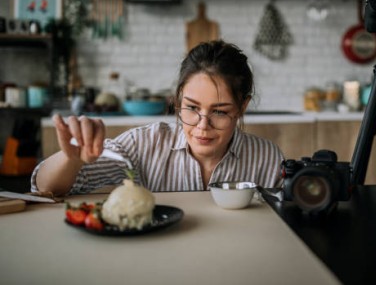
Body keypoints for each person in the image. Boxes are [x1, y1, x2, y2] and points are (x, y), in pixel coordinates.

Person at [31, 40, 284, 196]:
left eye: (219, 111)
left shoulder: (268, 160)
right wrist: (71, 156)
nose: (202, 126)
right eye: (192, 108)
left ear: (242, 106)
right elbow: (45, 188)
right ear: (177, 100)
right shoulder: (143, 145)